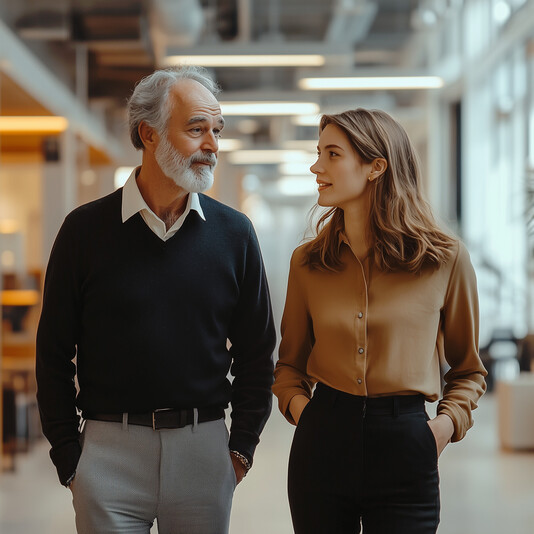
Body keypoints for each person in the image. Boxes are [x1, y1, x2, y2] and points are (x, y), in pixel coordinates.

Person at [36, 65, 276, 534]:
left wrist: (241, 448)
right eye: (196, 129)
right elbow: (53, 353)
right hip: (107, 454)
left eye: (216, 130)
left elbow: (257, 352)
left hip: (203, 450)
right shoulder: (83, 231)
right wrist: (69, 458)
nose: (212, 145)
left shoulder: (235, 235)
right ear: (148, 134)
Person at [272, 108, 487, 534]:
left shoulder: (444, 259)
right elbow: (289, 367)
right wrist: (306, 415)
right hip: (322, 445)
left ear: (376, 166)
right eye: (319, 153)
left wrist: (440, 431)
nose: (317, 167)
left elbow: (468, 372)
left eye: (332, 154)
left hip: (407, 447)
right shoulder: (307, 263)